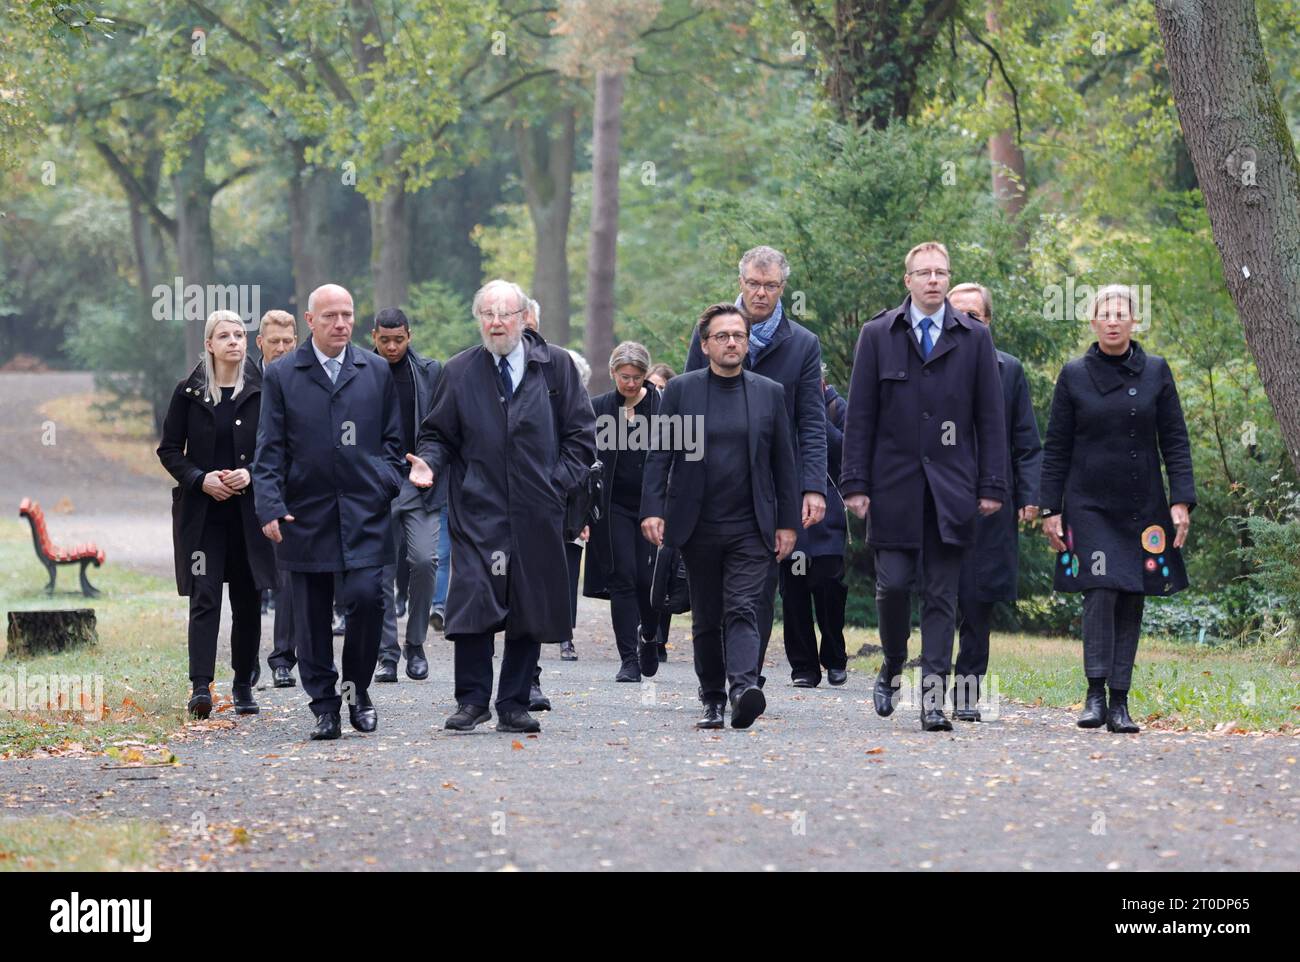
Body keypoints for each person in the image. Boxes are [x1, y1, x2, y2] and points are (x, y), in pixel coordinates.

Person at [407, 280, 597, 735]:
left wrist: (557, 485)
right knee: (473, 601)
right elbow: (438, 435)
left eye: (505, 314)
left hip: (537, 512)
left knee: (527, 606)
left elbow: (581, 436)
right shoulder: (459, 371)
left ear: (523, 318)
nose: (496, 322)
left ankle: (514, 702)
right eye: (487, 314)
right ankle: (472, 701)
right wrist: (428, 465)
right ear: (479, 321)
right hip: (478, 510)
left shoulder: (556, 369)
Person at [841, 241, 1009, 732]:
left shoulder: (973, 338)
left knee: (942, 595)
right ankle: (893, 663)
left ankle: (933, 699)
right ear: (907, 280)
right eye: (924, 272)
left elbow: (990, 417)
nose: (934, 280)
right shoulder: (877, 335)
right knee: (893, 586)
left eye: (941, 272)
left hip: (952, 490)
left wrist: (992, 484)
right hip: (892, 488)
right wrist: (855, 482)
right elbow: (860, 417)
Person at [1039, 284, 1195, 734]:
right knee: (1100, 589)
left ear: (1133, 321)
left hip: (1142, 504)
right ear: (1092, 322)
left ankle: (1120, 702)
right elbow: (1056, 448)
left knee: (1131, 593)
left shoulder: (1157, 372)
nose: (1112, 321)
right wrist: (1052, 509)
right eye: (1104, 314)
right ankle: (1094, 693)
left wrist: (1180, 501)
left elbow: (1176, 442)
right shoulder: (1073, 375)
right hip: (1087, 503)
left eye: (1120, 314)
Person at [253, 283, 405, 740]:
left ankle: (357, 690)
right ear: (310, 320)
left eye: (347, 315)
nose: (341, 323)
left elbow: (395, 442)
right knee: (311, 615)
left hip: (365, 511)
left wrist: (385, 481)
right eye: (331, 316)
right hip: (307, 513)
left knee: (366, 599)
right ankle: (323, 704)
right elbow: (269, 449)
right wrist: (272, 507)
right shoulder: (283, 375)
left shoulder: (375, 370)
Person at [642, 303, 800, 730]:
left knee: (744, 606)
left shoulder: (769, 392)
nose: (732, 342)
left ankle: (743, 688)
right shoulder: (683, 391)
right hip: (698, 524)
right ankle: (712, 696)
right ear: (706, 344)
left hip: (752, 524)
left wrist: (788, 522)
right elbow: (661, 455)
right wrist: (653, 509)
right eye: (722, 336)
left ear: (748, 344)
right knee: (708, 616)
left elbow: (785, 463)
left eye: (739, 336)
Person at [685, 246, 826, 688]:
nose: (761, 293)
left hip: (770, 483)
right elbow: (688, 401)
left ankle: (746, 675)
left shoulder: (801, 344)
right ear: (740, 282)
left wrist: (813, 486)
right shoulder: (711, 331)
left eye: (770, 286)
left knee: (760, 589)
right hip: (712, 482)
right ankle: (724, 675)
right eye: (753, 284)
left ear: (783, 288)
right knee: (712, 597)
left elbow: (812, 420)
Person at [158, 310, 278, 718]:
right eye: (223, 335)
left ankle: (243, 683)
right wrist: (199, 478)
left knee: (248, 599)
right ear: (209, 344)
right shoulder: (188, 392)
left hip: (249, 513)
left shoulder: (266, 390)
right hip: (204, 515)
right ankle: (200, 687)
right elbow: (169, 449)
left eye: (239, 335)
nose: (233, 341)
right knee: (205, 597)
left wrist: (252, 473)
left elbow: (279, 446)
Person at [945, 283, 1042, 721]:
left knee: (978, 604)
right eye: (958, 314)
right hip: (938, 500)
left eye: (975, 316)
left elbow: (1026, 441)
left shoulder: (1010, 370)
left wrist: (1030, 495)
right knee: (938, 598)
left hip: (990, 502)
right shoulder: (930, 366)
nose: (967, 322)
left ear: (988, 322)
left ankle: (966, 695)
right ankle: (928, 691)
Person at [370, 307, 445, 684]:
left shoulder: (430, 372)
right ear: (374, 337)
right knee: (381, 569)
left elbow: (443, 426)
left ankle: (415, 643)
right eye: (385, 340)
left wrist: (430, 462)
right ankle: (387, 653)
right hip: (375, 484)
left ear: (409, 335)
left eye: (399, 339)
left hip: (420, 483)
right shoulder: (362, 372)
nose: (392, 347)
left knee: (423, 561)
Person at [583, 342, 664, 682]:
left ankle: (649, 635)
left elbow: (677, 456)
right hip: (612, 505)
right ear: (613, 372)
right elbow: (583, 455)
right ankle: (628, 659)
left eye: (637, 377)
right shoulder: (599, 408)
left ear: (646, 376)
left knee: (648, 582)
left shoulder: (662, 409)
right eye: (624, 377)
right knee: (623, 577)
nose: (631, 384)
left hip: (651, 506)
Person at [780, 372, 850, 688]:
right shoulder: (781, 410)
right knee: (793, 593)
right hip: (789, 517)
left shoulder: (837, 408)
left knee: (829, 588)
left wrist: (816, 419)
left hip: (828, 517)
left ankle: (835, 657)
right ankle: (804, 667)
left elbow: (848, 453)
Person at [253, 309, 301, 689]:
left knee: (286, 576)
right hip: (242, 489)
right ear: (261, 343)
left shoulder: (302, 378)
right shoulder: (244, 380)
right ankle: (246, 658)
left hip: (289, 490)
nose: (282, 349)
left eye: (288, 342)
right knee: (250, 578)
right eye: (275, 343)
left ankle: (283, 657)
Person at [644, 362, 676, 662]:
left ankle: (659, 636)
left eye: (662, 388)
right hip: (644, 501)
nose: (657, 393)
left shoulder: (676, 417)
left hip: (671, 499)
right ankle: (642, 633)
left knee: (663, 567)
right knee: (640, 570)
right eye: (652, 387)